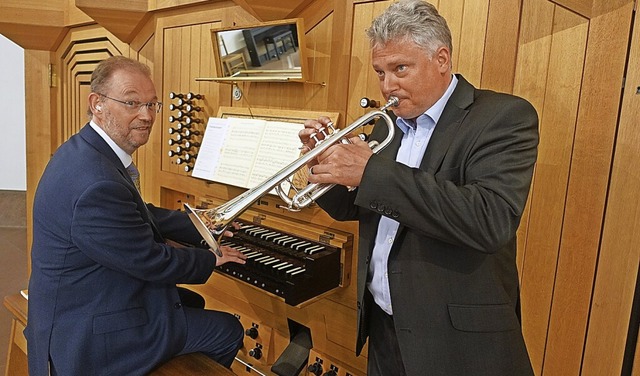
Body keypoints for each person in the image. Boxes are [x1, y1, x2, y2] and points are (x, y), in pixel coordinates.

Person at [299, 1, 539, 375]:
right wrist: (324, 166)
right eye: (380, 72)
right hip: (384, 327)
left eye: (400, 69)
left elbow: (489, 220)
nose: (387, 86)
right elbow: (357, 207)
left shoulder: (502, 117)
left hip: (456, 341)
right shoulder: (388, 126)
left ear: (441, 59)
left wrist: (370, 172)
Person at [25, 56, 247, 375]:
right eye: (132, 103)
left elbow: (136, 213)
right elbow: (149, 260)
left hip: (85, 302)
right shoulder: (96, 182)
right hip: (86, 335)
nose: (146, 115)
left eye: (152, 104)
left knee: (190, 304)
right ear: (97, 104)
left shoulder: (85, 150)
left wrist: (202, 224)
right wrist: (211, 258)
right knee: (227, 330)